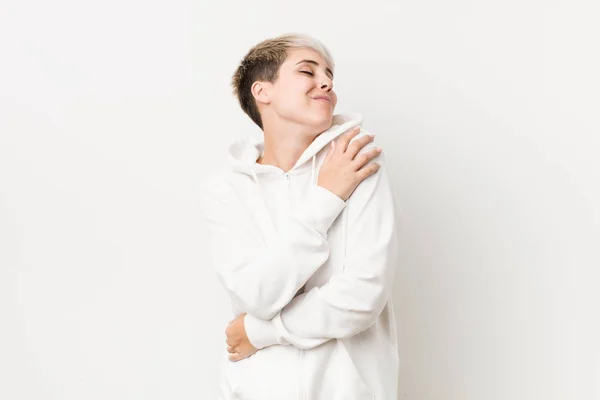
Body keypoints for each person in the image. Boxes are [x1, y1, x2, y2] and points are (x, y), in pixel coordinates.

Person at [201, 33, 399, 400]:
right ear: (263, 91)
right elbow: (258, 294)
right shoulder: (226, 188)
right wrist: (326, 198)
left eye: (329, 76)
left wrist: (259, 332)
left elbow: (362, 295)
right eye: (308, 71)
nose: (326, 82)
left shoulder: (356, 159)